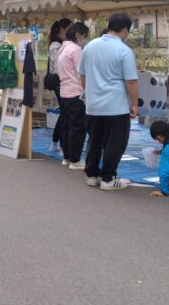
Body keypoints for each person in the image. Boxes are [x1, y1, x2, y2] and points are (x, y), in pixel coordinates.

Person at [79, 13, 138, 191]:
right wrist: (134, 103)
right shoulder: (124, 50)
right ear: (125, 30)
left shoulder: (90, 46)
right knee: (115, 143)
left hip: (93, 105)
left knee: (94, 141)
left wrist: (89, 93)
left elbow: (82, 75)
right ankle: (108, 178)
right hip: (115, 106)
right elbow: (131, 81)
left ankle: (91, 175)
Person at [57, 22, 89, 170]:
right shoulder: (76, 49)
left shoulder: (62, 48)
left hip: (64, 91)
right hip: (75, 92)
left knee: (67, 125)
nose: (85, 39)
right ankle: (75, 159)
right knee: (78, 127)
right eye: (84, 36)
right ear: (78, 35)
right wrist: (86, 90)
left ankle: (67, 156)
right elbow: (81, 73)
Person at [48, 18, 72, 153]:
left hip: (63, 83)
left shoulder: (61, 44)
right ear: (63, 29)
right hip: (60, 83)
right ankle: (63, 145)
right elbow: (58, 68)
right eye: (70, 28)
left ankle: (55, 143)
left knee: (64, 114)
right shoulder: (56, 46)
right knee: (66, 115)